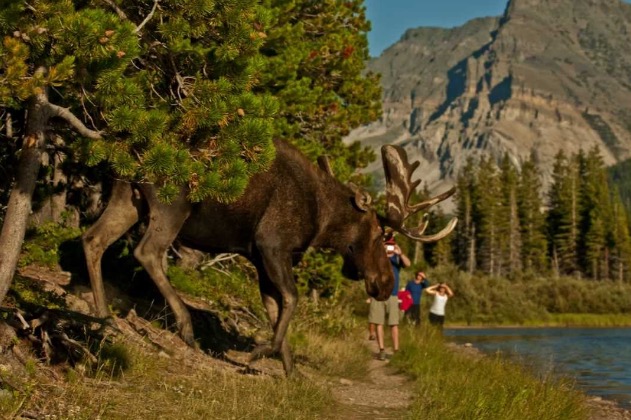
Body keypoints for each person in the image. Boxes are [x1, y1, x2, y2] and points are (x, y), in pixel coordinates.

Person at [368, 237, 410, 360]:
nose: (390, 248)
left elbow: (408, 264)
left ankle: (396, 350)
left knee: (394, 324)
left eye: (392, 245)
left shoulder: (397, 258)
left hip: (392, 295)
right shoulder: (377, 257)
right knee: (378, 323)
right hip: (378, 295)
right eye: (387, 245)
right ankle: (382, 350)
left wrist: (400, 253)